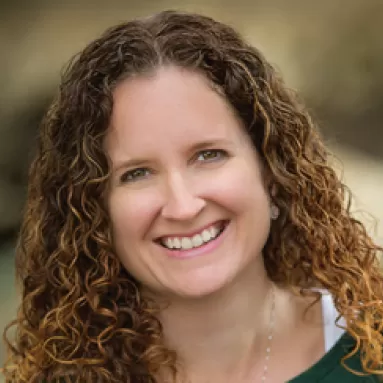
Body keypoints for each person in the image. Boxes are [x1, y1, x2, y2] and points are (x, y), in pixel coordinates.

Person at [2, 10, 383, 383]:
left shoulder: (372, 352)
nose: (183, 206)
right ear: (93, 210)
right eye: (136, 174)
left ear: (271, 170)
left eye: (208, 155)